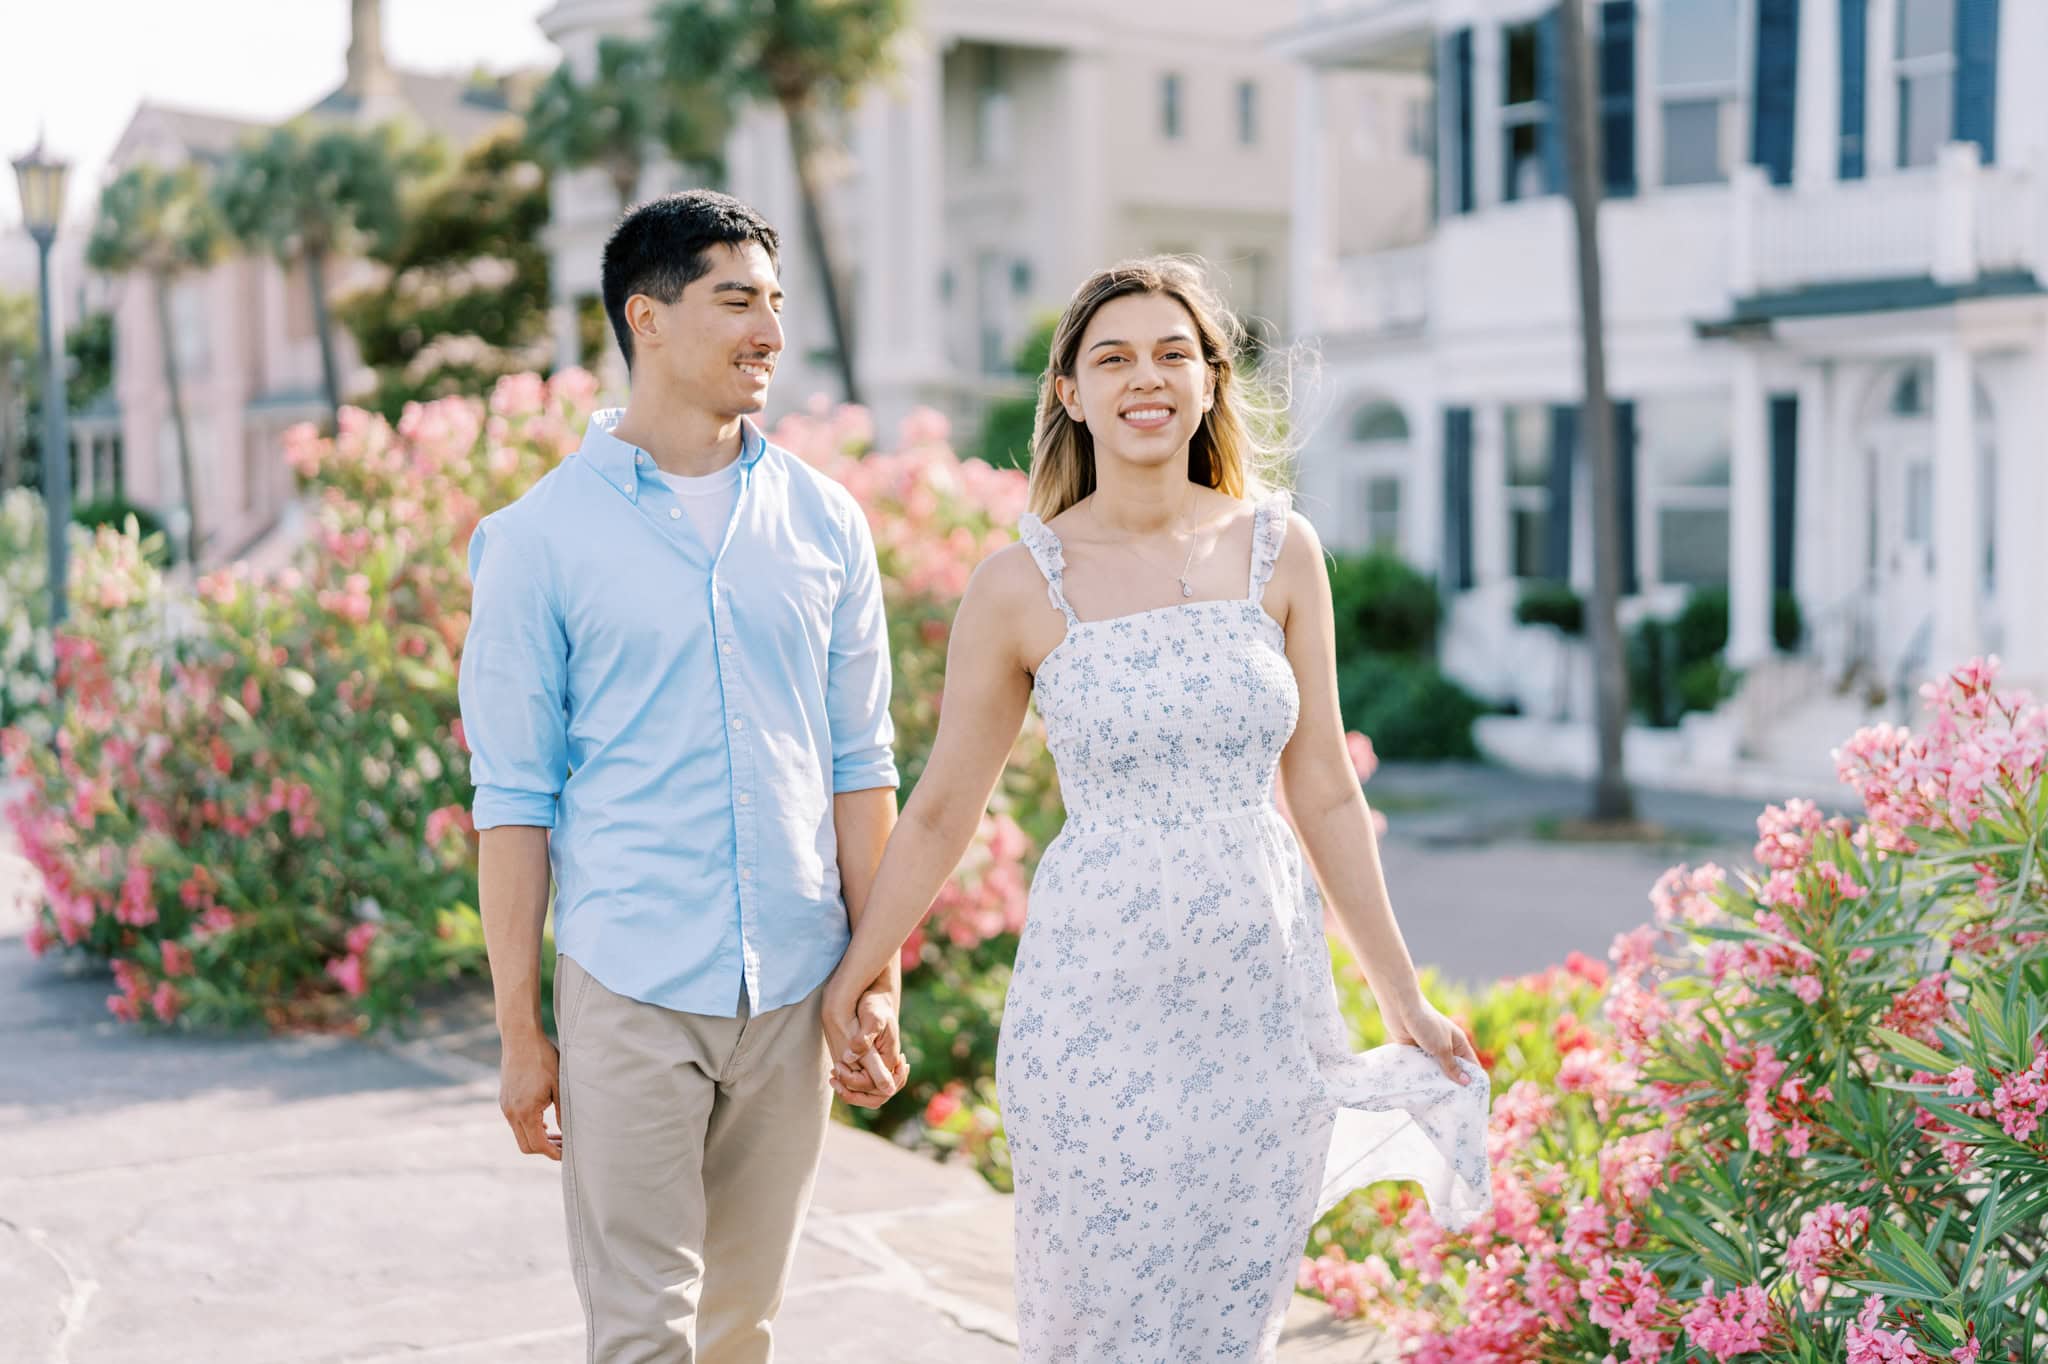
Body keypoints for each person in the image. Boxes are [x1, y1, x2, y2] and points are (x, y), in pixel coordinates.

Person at [821, 258, 1493, 1361]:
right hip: (1091, 1013)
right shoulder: (1016, 583)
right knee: (1105, 1317)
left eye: (1173, 352)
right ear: (1070, 394)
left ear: (1210, 382)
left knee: (1229, 1320)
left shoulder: (1281, 551)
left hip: (1260, 1010)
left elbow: (1321, 786)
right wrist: (859, 971)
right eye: (1113, 356)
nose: (1147, 377)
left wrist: (1402, 1000)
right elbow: (942, 807)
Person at [457, 189, 908, 1364]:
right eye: (735, 299)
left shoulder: (826, 522)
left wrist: (876, 969)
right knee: (642, 1333)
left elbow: (860, 767)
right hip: (631, 982)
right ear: (644, 317)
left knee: (740, 1326)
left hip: (793, 984)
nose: (767, 329)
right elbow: (513, 799)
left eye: (774, 302)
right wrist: (520, 1030)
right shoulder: (535, 539)